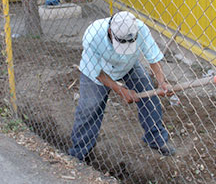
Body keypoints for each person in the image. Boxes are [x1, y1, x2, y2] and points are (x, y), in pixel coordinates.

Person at [69, 11, 176, 161]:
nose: (125, 47)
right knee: (90, 107)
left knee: (149, 95)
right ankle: (79, 152)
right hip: (98, 70)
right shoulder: (93, 35)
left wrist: (162, 82)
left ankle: (155, 138)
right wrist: (121, 90)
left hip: (128, 65)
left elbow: (153, 59)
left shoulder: (140, 29)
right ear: (109, 31)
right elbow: (98, 73)